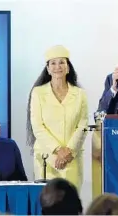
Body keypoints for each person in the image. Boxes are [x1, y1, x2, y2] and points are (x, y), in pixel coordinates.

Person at [27, 45, 88, 190]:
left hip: (71, 158)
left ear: (68, 67)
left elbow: (83, 125)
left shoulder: (80, 94)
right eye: (53, 63)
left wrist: (68, 151)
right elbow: (37, 126)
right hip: (46, 158)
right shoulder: (38, 93)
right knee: (48, 204)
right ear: (48, 69)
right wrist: (57, 150)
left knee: (71, 204)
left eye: (62, 62)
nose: (57, 67)